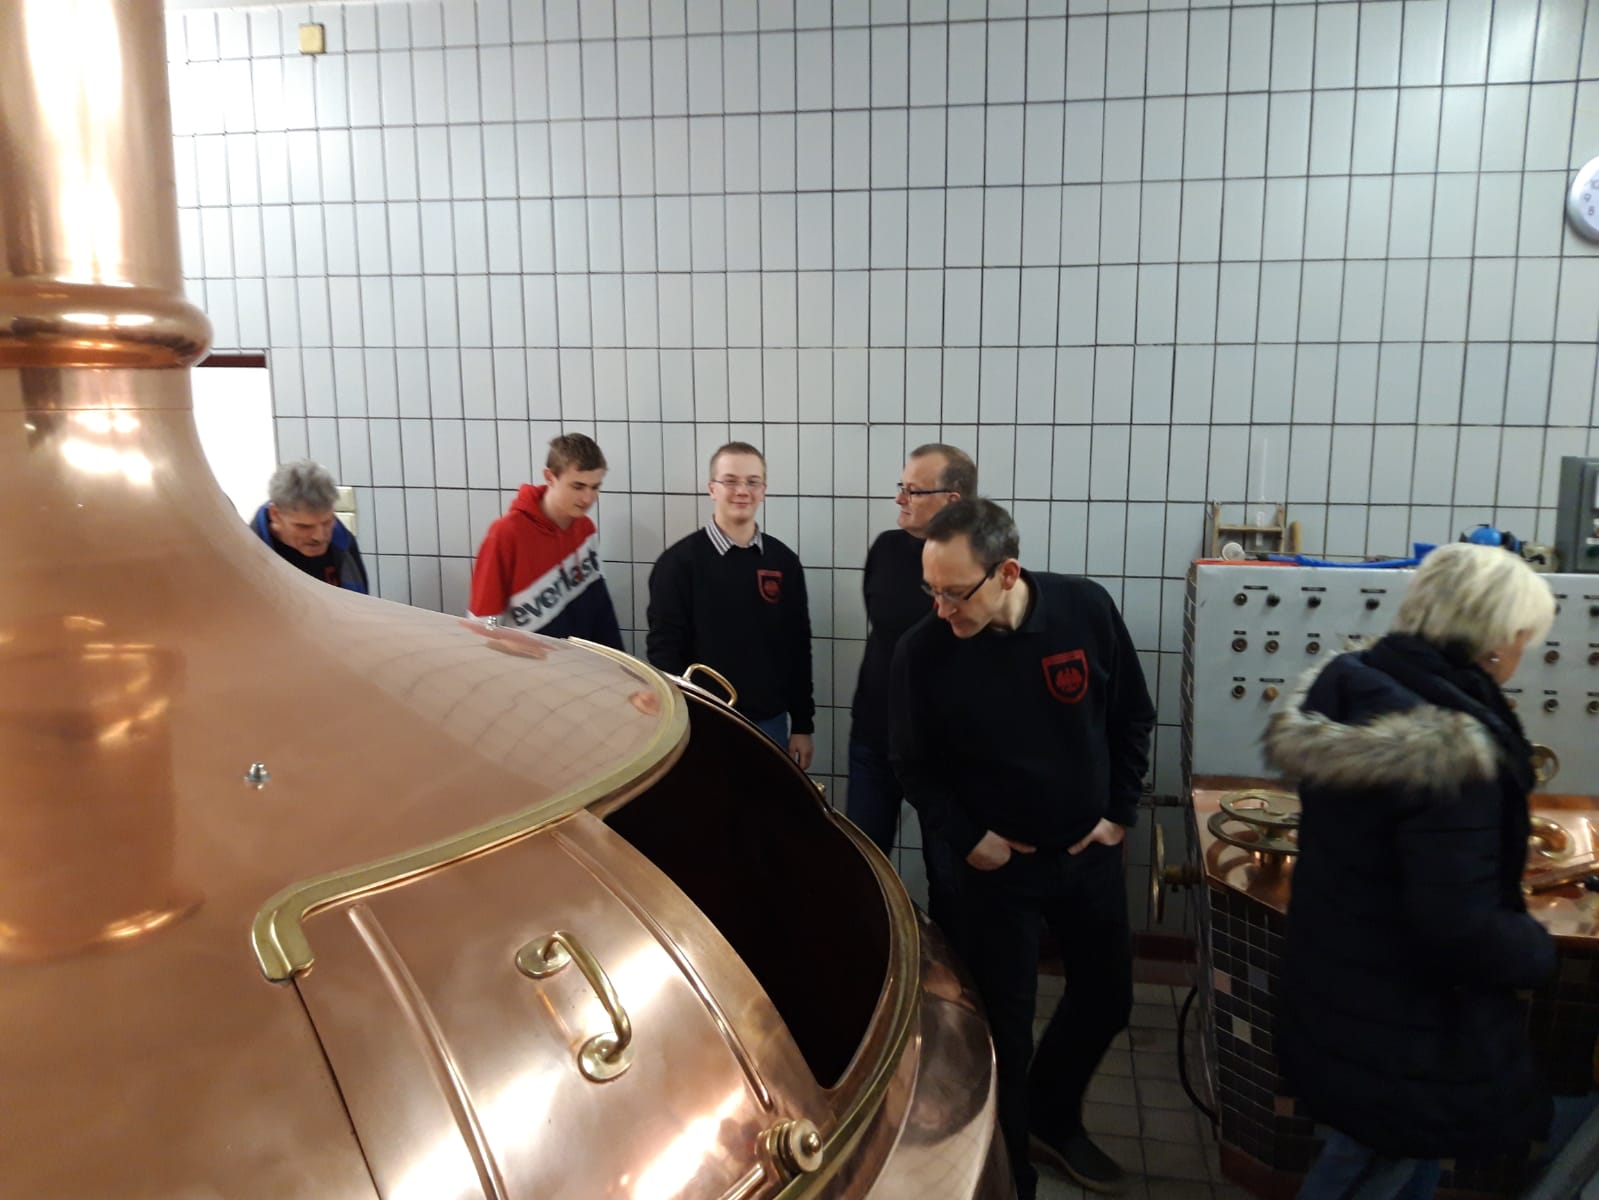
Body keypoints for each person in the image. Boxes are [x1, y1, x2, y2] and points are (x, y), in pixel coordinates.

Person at [1262, 543, 1557, 1200]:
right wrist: (1537, 952)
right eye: (1523, 637)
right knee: (1373, 1164)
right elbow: (1455, 922)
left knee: (1389, 1153)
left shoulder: (1358, 684)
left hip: (1346, 981)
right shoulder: (1449, 747)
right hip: (1408, 1012)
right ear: (1492, 640)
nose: (1524, 652)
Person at [890, 498, 1154, 1199]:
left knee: (1107, 998)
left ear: (1007, 573)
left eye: (955, 592)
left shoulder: (1083, 610)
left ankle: (1050, 1116)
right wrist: (970, 839)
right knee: (1004, 1034)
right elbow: (912, 767)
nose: (941, 608)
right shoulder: (923, 652)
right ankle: (1016, 1179)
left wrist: (1118, 814)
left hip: (1088, 855)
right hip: (995, 874)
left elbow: (1132, 716)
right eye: (931, 589)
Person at [646, 442, 815, 769]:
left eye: (752, 482)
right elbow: (664, 653)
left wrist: (802, 724)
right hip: (703, 724)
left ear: (763, 490)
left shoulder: (783, 562)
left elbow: (797, 648)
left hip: (770, 724)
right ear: (712, 489)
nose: (742, 491)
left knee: (765, 803)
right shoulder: (678, 564)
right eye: (730, 481)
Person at [846, 443, 973, 855]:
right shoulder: (886, 549)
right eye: (901, 487)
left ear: (952, 500)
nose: (900, 499)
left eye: (913, 491)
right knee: (863, 865)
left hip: (945, 749)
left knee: (951, 874)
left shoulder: (979, 563)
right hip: (875, 735)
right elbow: (885, 630)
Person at [469, 432, 623, 650]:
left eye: (595, 487)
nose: (588, 498)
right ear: (550, 477)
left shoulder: (585, 527)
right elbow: (483, 625)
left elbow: (599, 608)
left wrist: (617, 661)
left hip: (581, 661)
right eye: (578, 487)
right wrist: (508, 647)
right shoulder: (506, 535)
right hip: (530, 666)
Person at [250, 460, 368, 593]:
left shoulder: (343, 542)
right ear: (275, 514)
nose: (319, 536)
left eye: (327, 522)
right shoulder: (247, 557)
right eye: (304, 527)